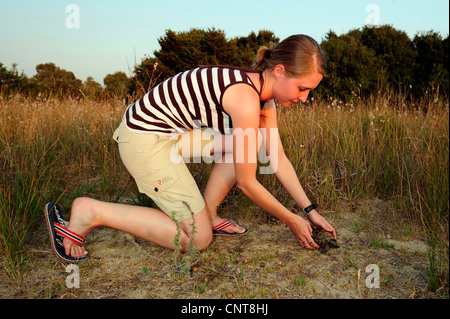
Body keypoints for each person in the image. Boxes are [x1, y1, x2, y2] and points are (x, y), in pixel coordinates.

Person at [45, 34, 337, 263]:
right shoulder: (245, 99)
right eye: (302, 89)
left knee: (253, 142)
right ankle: (92, 211)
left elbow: (277, 157)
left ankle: (208, 213)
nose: (304, 99)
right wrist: (291, 220)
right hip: (144, 141)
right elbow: (248, 183)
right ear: (281, 71)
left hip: (172, 134)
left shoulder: (263, 98)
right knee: (198, 240)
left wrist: (309, 210)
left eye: (310, 91)